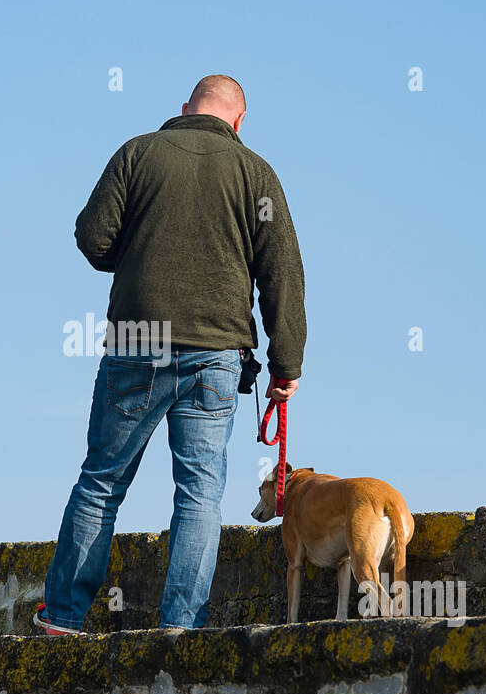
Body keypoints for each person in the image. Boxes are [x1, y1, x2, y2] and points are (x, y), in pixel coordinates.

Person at [34, 74, 307, 634]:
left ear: (186, 108)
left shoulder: (136, 154)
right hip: (216, 350)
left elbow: (92, 237)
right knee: (200, 493)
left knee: (102, 481)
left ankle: (62, 616)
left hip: (138, 338)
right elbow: (283, 272)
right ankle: (179, 626)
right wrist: (287, 365)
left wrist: (140, 255)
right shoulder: (256, 173)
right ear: (238, 120)